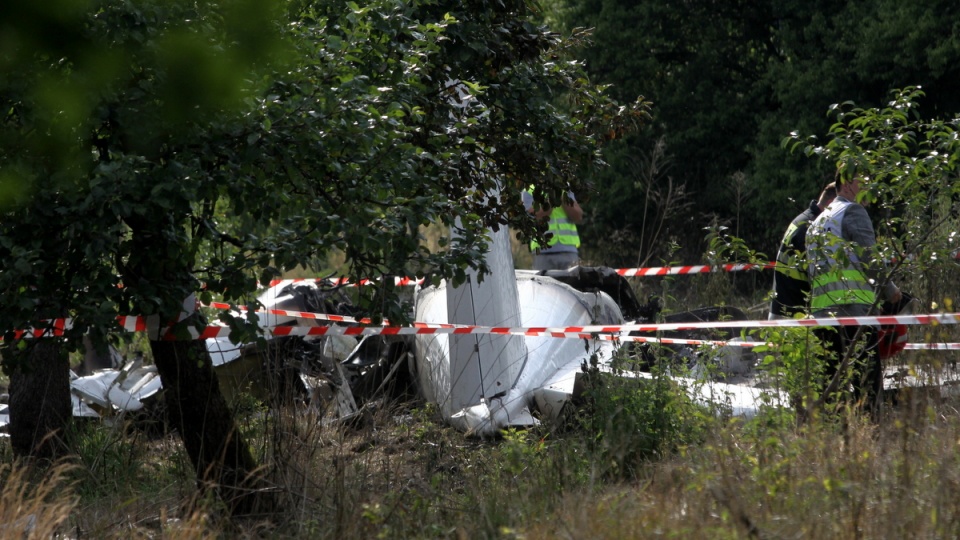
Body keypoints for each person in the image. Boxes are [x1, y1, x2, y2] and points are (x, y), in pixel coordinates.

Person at [805, 167, 901, 414]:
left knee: (831, 386)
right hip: (854, 312)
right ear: (847, 184)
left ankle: (836, 442)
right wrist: (891, 292)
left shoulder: (817, 222)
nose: (869, 189)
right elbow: (871, 262)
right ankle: (871, 438)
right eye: (864, 183)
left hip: (823, 317)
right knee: (867, 384)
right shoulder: (853, 211)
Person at [768, 182, 837, 319]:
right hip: (792, 318)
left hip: (782, 312)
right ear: (830, 204)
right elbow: (817, 278)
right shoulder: (811, 228)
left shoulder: (804, 219)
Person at [522, 187, 583, 271]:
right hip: (542, 252)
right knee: (542, 283)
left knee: (572, 283)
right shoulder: (529, 189)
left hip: (568, 250)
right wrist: (552, 198)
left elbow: (578, 216)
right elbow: (533, 216)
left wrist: (562, 197)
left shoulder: (564, 187)